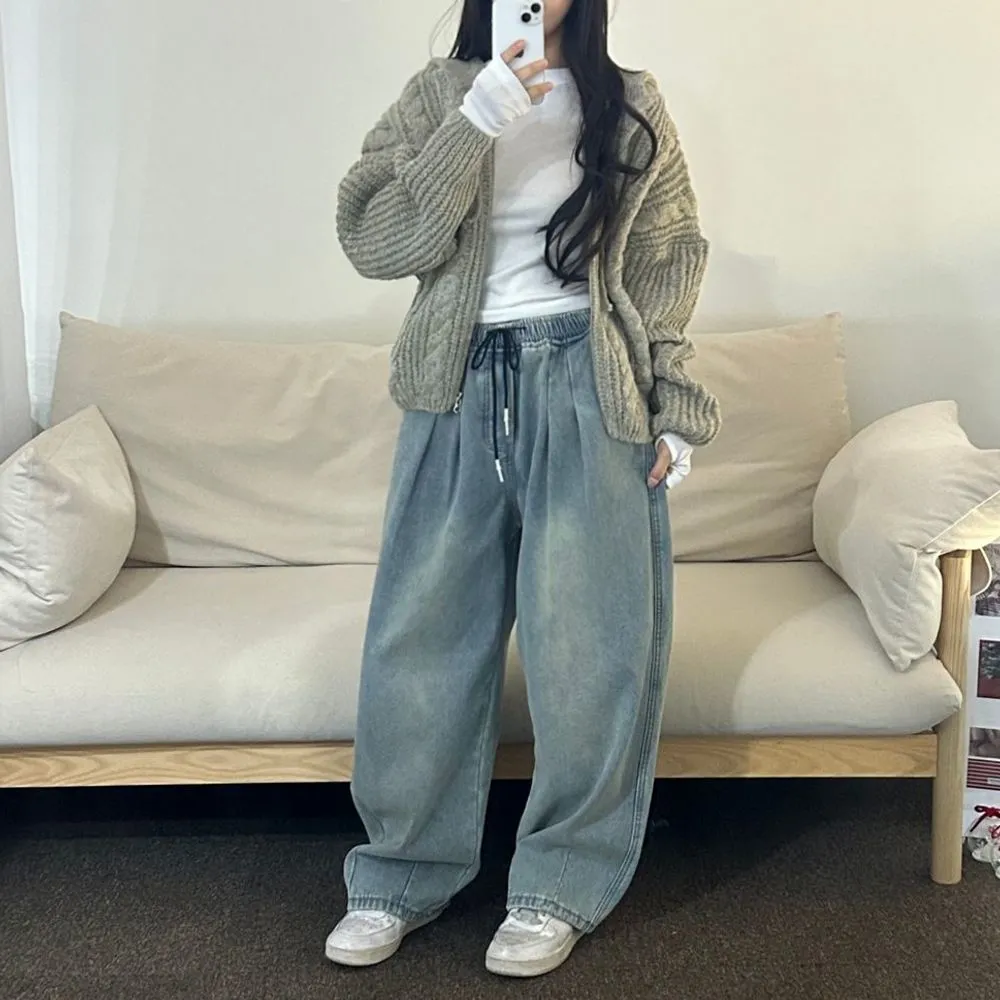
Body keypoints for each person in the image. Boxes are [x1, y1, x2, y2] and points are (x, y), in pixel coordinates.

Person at [326, 0, 721, 978]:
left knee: (590, 650)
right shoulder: (437, 96)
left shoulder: (629, 103)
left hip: (589, 386)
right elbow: (375, 241)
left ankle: (558, 883)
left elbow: (666, 260)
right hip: (454, 389)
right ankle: (399, 873)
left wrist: (673, 404)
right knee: (420, 641)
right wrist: (477, 120)